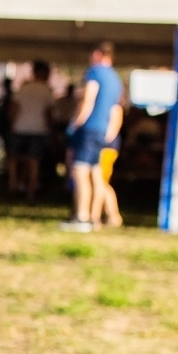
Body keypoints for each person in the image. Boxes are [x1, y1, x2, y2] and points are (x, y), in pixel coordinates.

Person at [60, 41, 122, 233]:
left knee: (79, 172)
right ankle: (94, 218)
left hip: (88, 129)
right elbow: (115, 110)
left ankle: (82, 217)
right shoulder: (116, 79)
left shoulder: (94, 73)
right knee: (96, 174)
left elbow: (88, 100)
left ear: (97, 54)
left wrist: (75, 123)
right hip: (103, 132)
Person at [7, 62, 55, 198]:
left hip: (19, 127)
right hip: (38, 129)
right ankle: (31, 192)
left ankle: (12, 187)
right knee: (34, 161)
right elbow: (50, 112)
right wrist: (50, 127)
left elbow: (13, 107)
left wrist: (11, 123)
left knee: (14, 159)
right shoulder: (46, 90)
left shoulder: (24, 88)